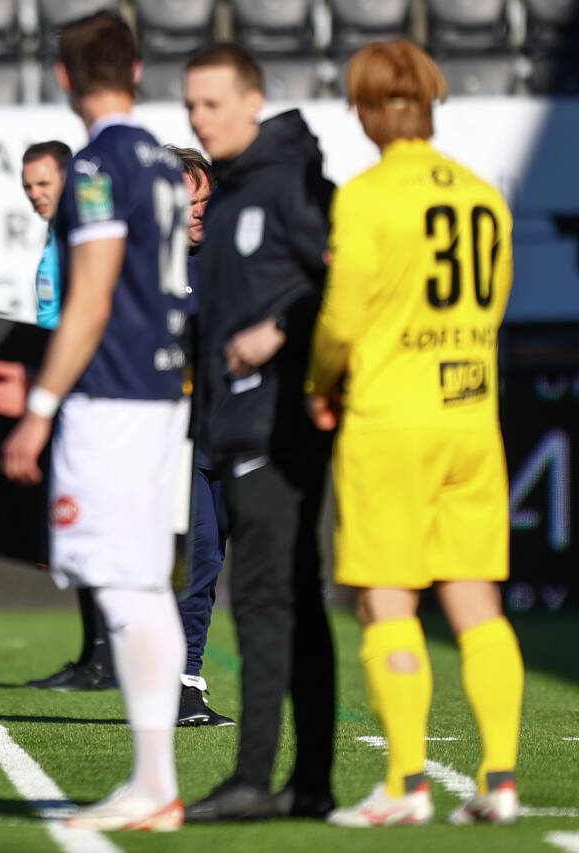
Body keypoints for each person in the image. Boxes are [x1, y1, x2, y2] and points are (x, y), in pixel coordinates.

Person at [307, 40, 522, 828]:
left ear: (365, 110)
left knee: (386, 602)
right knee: (477, 603)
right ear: (429, 104)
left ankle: (405, 785)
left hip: (391, 421)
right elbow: (493, 303)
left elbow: (340, 319)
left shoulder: (365, 197)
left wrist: (318, 383)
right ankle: (499, 779)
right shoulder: (483, 194)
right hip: (472, 417)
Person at [1, 11, 193, 831]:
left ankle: (154, 782)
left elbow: (91, 293)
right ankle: (156, 779)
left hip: (111, 399)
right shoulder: (161, 161)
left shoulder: (97, 166)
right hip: (160, 394)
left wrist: (39, 409)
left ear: (64, 78)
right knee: (143, 581)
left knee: (122, 584)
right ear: (140, 70)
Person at [179, 43, 338, 821]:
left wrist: (279, 329)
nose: (200, 119)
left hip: (279, 426)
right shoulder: (240, 189)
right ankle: (309, 780)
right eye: (191, 107)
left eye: (213, 104)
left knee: (267, 598)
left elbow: (340, 277)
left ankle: (253, 778)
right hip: (239, 425)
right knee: (293, 600)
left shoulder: (288, 182)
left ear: (253, 100)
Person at [11, 139, 119, 693]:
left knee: (93, 526)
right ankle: (91, 655)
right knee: (76, 527)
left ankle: (106, 660)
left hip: (84, 394)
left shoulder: (82, 239)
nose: (35, 195)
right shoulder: (58, 234)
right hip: (65, 392)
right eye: (28, 186)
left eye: (43, 184)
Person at [164, 144, 234, 728]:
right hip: (169, 441)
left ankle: (183, 680)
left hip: (228, 436)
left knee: (210, 562)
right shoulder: (140, 268)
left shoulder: (229, 260)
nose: (197, 213)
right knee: (193, 559)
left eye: (204, 201)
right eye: (186, 203)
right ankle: (178, 681)